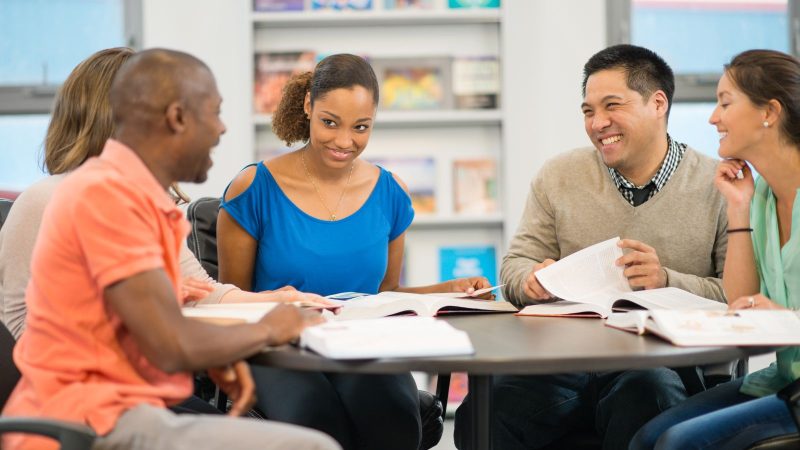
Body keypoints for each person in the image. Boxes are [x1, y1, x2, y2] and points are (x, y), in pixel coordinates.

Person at [1, 48, 340, 450]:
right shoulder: (105, 198)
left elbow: (168, 314)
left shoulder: (137, 198)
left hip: (120, 410)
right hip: (88, 422)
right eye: (214, 112)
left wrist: (219, 348)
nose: (222, 129)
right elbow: (168, 342)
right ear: (177, 118)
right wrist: (268, 327)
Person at [454, 44, 729, 450]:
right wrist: (529, 281)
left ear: (658, 103)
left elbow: (736, 296)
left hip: (658, 363)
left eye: (611, 106)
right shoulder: (559, 175)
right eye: (587, 111)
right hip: (566, 363)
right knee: (481, 414)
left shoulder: (717, 185)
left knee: (648, 392)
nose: (598, 123)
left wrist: (666, 280)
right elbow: (515, 264)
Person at [216, 53, 490, 450]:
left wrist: (451, 288)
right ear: (309, 105)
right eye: (330, 123)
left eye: (361, 127)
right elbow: (229, 303)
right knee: (317, 422)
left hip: (363, 344)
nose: (345, 142)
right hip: (280, 349)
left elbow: (384, 293)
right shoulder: (253, 188)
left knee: (396, 420)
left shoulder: (390, 193)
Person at [630, 49, 800, 450]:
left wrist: (790, 319)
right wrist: (737, 206)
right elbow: (739, 299)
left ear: (769, 112)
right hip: (783, 380)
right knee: (646, 437)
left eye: (725, 102)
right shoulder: (759, 195)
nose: (713, 117)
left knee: (677, 443)